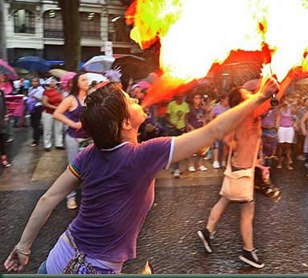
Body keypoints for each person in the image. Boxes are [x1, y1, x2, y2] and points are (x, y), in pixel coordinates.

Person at [3, 78, 279, 274]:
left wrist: (24, 247)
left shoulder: (88, 153)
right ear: (125, 123)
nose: (136, 99)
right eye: (130, 100)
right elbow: (212, 133)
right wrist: (259, 96)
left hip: (56, 262)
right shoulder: (143, 156)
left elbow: (49, 197)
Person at [197, 84, 275, 269]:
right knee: (247, 213)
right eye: (245, 93)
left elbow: (227, 138)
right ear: (241, 101)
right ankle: (248, 251)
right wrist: (287, 78)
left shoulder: (237, 116)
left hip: (236, 168)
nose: (250, 93)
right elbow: (270, 101)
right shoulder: (249, 114)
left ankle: (207, 232)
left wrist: (237, 146)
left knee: (224, 200)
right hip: (243, 172)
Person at [53, 72, 91, 210]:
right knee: (73, 168)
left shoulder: (91, 98)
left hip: (89, 139)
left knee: (90, 168)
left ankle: (88, 197)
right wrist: (73, 124)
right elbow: (57, 114)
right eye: (83, 79)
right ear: (76, 83)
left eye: (87, 79)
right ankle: (71, 197)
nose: (87, 82)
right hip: (73, 138)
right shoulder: (70, 99)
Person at [165, 95, 189, 178]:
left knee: (180, 149)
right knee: (174, 149)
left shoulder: (185, 105)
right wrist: (172, 124)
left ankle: (177, 167)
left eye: (182, 98)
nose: (180, 100)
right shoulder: (171, 105)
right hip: (173, 129)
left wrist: (186, 128)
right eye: (179, 98)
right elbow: (167, 118)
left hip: (181, 129)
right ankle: (176, 168)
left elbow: (186, 118)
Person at [186, 92, 208, 172]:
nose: (198, 100)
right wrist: (190, 128)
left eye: (199, 98)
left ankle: (200, 164)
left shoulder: (202, 109)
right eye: (196, 98)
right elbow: (187, 120)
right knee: (192, 149)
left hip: (201, 130)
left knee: (201, 149)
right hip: (193, 130)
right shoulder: (190, 109)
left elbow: (205, 117)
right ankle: (191, 165)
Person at [42, 77, 64, 151]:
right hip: (48, 112)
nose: (53, 83)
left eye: (54, 82)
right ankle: (47, 144)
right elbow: (45, 103)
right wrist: (55, 107)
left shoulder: (59, 91)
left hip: (58, 112)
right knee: (47, 129)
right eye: (51, 82)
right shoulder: (46, 92)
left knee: (59, 128)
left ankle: (59, 143)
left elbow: (63, 100)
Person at [27, 77, 45, 147]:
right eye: (33, 81)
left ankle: (36, 140)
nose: (34, 83)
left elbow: (43, 100)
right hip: (31, 107)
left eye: (36, 81)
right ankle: (40, 132)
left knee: (36, 124)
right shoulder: (30, 89)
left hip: (38, 107)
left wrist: (35, 97)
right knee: (32, 124)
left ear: (38, 82)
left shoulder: (41, 90)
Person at [0, 89, 11, 167]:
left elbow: (4, 104)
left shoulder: (1, 92)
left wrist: (6, 114)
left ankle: (4, 160)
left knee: (2, 141)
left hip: (1, 120)